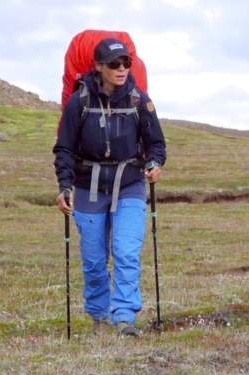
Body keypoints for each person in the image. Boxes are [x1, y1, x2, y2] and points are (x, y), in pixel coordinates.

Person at [53, 38, 166, 338]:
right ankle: (99, 318)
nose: (121, 69)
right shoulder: (79, 102)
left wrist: (155, 163)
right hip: (88, 187)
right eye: (114, 64)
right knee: (94, 261)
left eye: (126, 63)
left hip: (130, 184)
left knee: (126, 252)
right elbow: (64, 149)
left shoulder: (139, 101)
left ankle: (125, 319)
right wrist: (64, 186)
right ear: (98, 66)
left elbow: (156, 143)